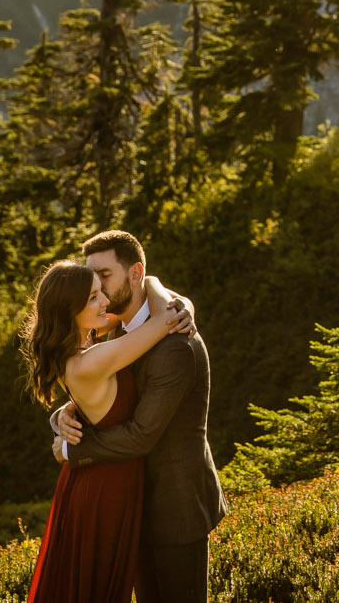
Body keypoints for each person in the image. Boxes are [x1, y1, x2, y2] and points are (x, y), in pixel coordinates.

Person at [50, 230, 227, 603]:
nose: (96, 287)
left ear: (135, 273)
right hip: (131, 507)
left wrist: (73, 450)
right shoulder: (117, 331)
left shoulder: (176, 342)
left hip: (175, 510)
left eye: (105, 276)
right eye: (92, 279)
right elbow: (104, 391)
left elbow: (141, 434)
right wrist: (65, 413)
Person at [20, 254, 194, 603]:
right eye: (94, 298)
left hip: (104, 480)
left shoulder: (85, 345)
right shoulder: (92, 360)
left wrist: (66, 413)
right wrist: (151, 281)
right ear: (70, 311)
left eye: (102, 291)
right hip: (104, 489)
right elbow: (166, 317)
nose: (106, 302)